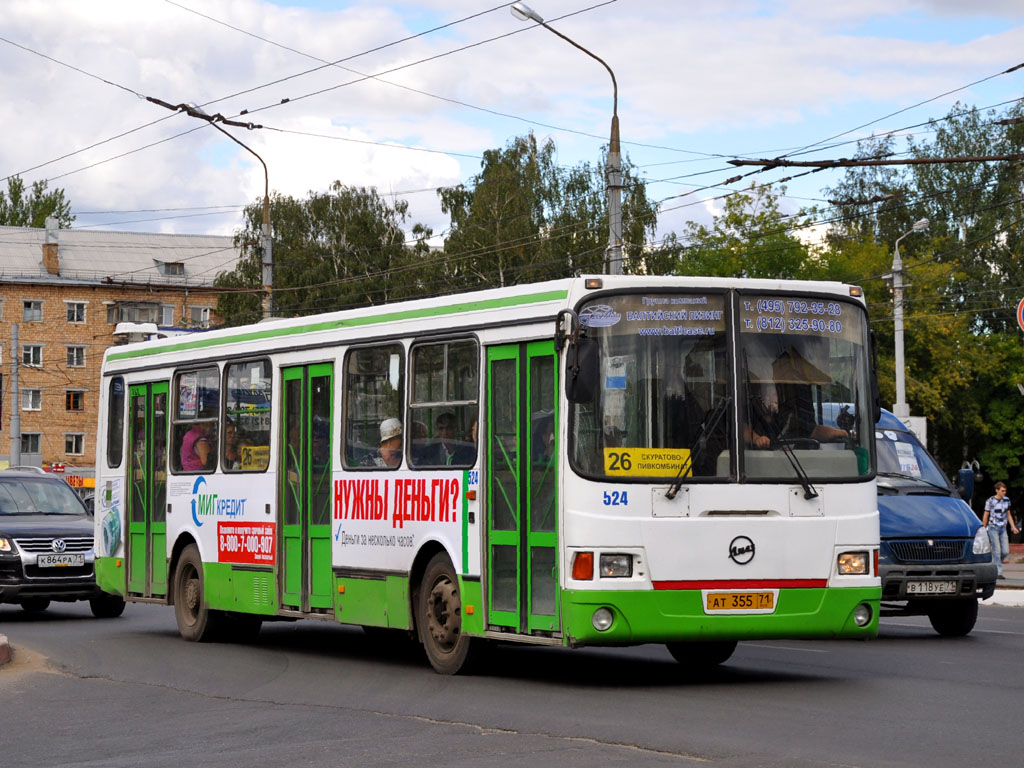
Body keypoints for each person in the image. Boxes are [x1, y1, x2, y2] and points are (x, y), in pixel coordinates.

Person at [983, 481, 1020, 579]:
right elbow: (986, 515)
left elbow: (1008, 514)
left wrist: (1013, 527)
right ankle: (998, 572)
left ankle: (993, 564)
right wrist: (983, 528)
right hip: (993, 528)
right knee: (997, 550)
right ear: (997, 490)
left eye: (1005, 491)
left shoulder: (1007, 500)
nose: (1004, 492)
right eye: (1002, 491)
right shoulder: (990, 501)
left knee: (1005, 551)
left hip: (1003, 528)